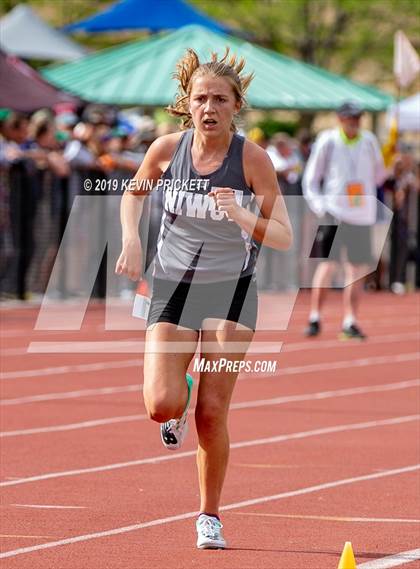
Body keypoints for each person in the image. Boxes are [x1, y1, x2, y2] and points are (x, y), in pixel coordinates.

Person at [115, 48, 292, 549]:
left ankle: (209, 515)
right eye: (200, 98)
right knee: (161, 404)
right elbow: (133, 194)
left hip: (230, 291)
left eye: (220, 98)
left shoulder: (251, 158)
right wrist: (131, 238)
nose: (209, 107)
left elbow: (282, 235)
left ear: (237, 105)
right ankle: (180, 388)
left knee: (211, 415)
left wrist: (241, 216)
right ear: (185, 104)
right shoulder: (166, 149)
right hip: (172, 285)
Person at [302, 101, 386, 340]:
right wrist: (319, 206)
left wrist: (389, 163)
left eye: (358, 118)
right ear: (340, 119)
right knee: (327, 265)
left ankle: (350, 320)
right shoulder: (328, 141)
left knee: (356, 269)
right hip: (333, 211)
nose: (355, 122)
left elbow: (379, 175)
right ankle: (315, 316)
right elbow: (311, 178)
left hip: (361, 215)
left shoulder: (369, 141)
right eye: (350, 118)